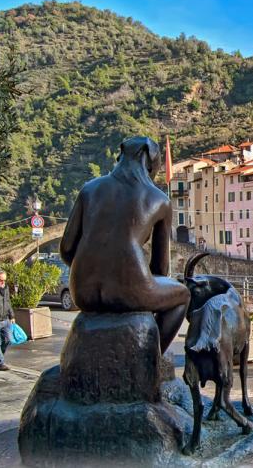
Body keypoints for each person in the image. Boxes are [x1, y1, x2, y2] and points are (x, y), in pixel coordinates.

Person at [60, 136, 189, 354]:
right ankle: (151, 356)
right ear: (149, 160)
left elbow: (66, 249)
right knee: (182, 295)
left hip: (82, 291)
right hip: (131, 290)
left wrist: (94, 269)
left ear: (121, 156)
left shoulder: (89, 189)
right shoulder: (159, 200)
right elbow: (160, 268)